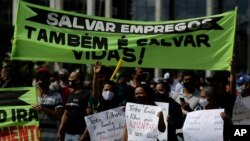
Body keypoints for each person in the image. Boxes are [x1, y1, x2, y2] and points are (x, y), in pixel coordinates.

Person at [58, 70, 90, 141]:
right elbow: (66, 113)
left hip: (79, 135)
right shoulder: (71, 94)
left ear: (78, 80)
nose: (69, 81)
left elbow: (90, 117)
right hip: (67, 134)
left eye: (70, 79)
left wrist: (85, 135)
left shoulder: (87, 94)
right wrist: (60, 130)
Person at [32, 69, 64, 141]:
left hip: (51, 137)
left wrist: (44, 109)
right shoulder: (31, 96)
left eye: (47, 79)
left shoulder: (57, 96)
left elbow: (59, 116)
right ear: (37, 81)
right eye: (43, 79)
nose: (46, 81)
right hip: (34, 137)